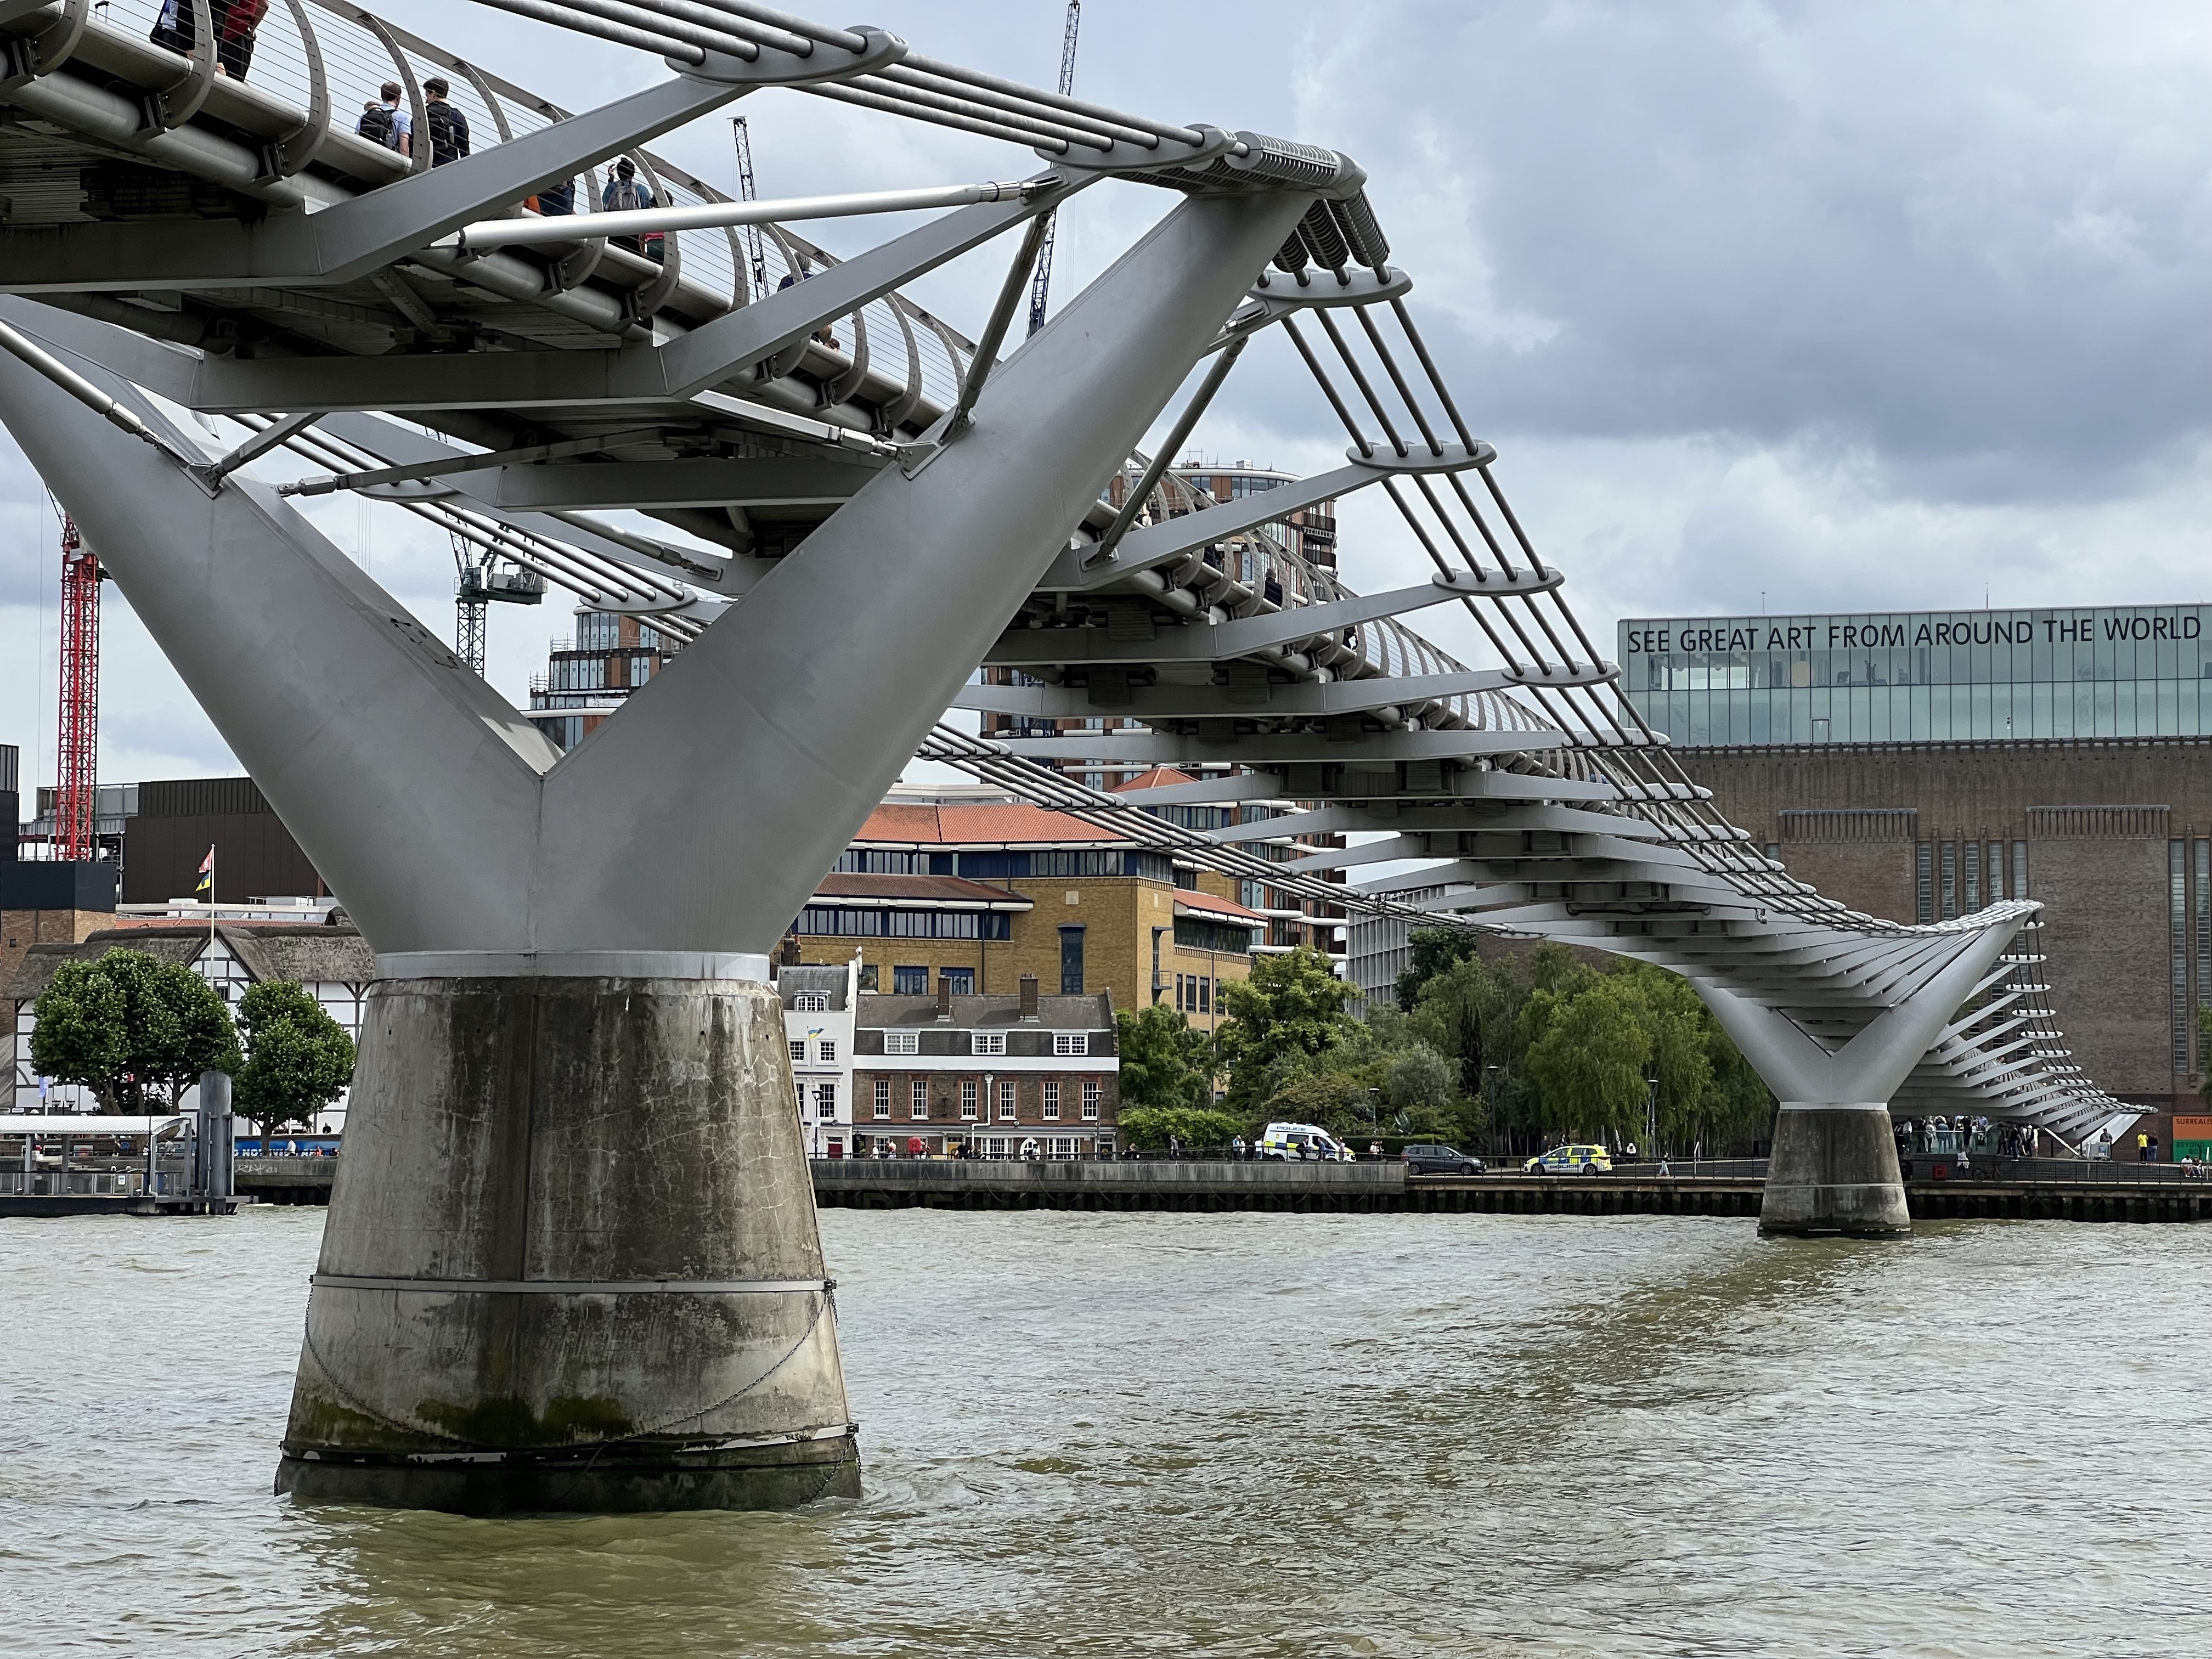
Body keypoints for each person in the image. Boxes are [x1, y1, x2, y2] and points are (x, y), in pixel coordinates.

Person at [602, 159, 657, 258]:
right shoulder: (641, 189)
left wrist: (611, 179)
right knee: (634, 258)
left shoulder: (612, 187)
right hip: (634, 229)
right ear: (633, 173)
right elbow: (647, 209)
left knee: (614, 257)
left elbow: (605, 204)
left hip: (615, 229)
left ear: (618, 173)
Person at [421, 77, 470, 167]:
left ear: (434, 94)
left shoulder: (422, 114)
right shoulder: (457, 115)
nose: (426, 100)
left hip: (425, 165)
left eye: (427, 96)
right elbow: (464, 146)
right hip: (450, 166)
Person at [358, 83, 409, 156]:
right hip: (387, 158)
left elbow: (357, 135)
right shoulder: (403, 118)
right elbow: (404, 149)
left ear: (382, 96)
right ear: (398, 98)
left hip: (365, 155)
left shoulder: (366, 114)